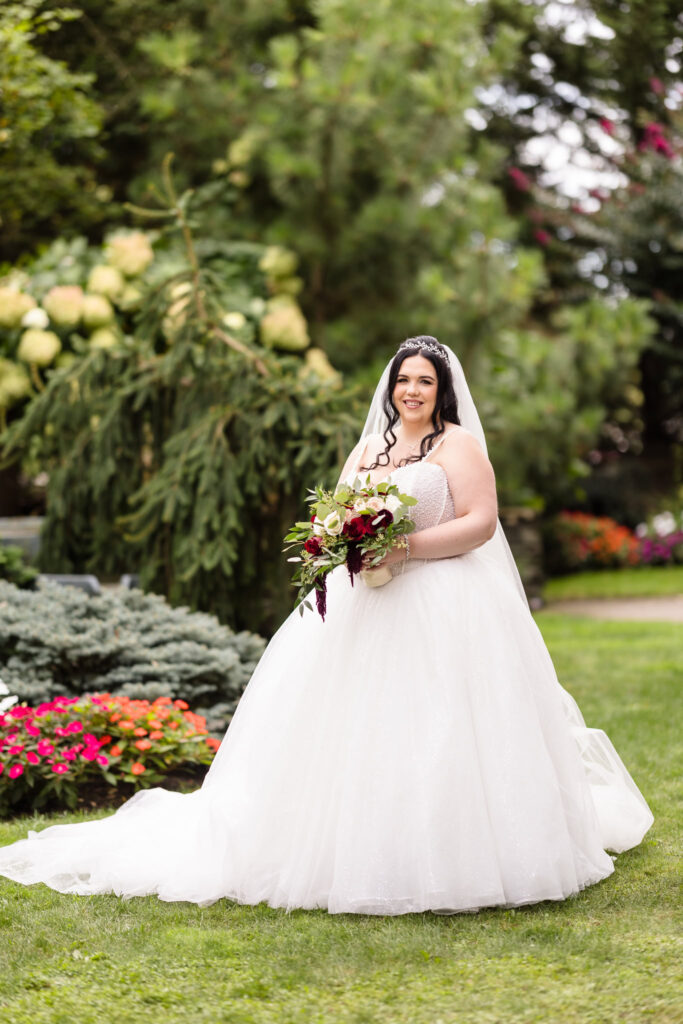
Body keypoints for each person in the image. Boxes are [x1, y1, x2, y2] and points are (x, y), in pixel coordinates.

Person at [0, 337, 653, 915]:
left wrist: (405, 550)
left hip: (448, 602)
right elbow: (335, 513)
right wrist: (340, 542)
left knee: (445, 722)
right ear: (391, 386)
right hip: (362, 603)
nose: (412, 390)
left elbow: (480, 523)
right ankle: (351, 846)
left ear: (442, 388)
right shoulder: (370, 446)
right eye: (403, 379)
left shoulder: (460, 446)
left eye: (424, 380)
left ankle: (462, 850)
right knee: (355, 726)